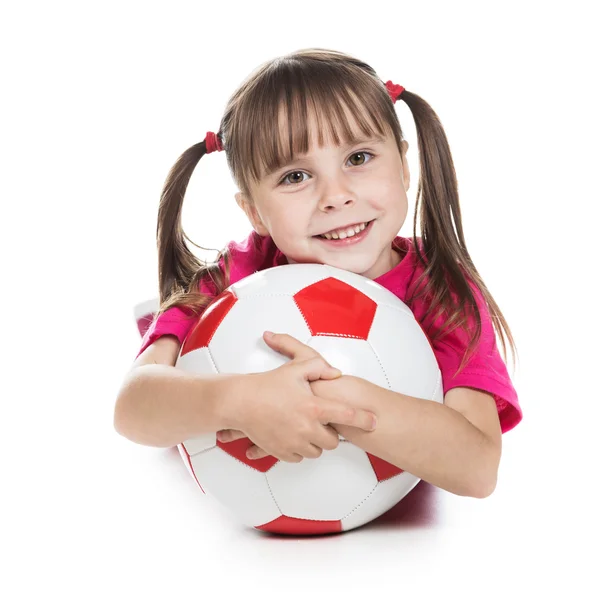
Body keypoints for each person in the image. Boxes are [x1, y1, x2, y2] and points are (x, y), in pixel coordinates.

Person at [114, 48, 522, 498]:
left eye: (359, 158)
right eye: (295, 177)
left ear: (404, 166)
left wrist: (323, 399)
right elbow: (132, 408)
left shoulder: (442, 288)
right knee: (174, 330)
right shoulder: (237, 278)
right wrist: (242, 400)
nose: (337, 196)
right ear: (254, 212)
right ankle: (159, 323)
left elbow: (478, 469)